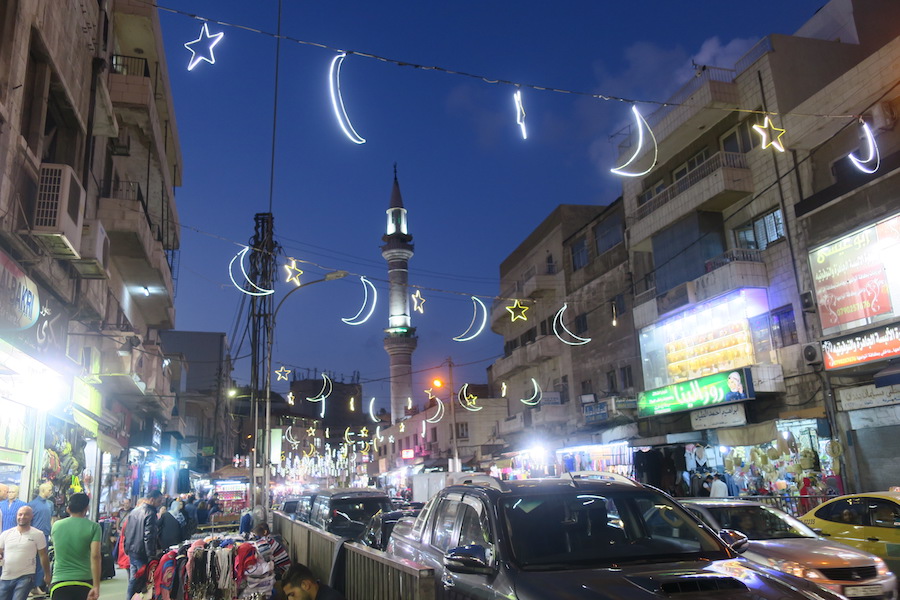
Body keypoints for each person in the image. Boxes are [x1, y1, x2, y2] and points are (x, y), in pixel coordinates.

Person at [49, 493, 101, 600]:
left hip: (59, 581)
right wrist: (96, 586)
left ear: (68, 509)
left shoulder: (56, 525)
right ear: (86, 508)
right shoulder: (94, 527)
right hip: (84, 581)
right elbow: (95, 556)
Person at [0, 506, 51, 600]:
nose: (22, 517)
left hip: (26, 576)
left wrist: (47, 575)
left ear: (32, 516)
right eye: (20, 514)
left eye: (26, 514)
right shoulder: (6, 534)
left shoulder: (38, 534)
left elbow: (43, 556)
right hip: (6, 576)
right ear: (16, 516)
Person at [123, 490, 164, 600]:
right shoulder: (150, 514)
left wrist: (126, 547)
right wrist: (151, 555)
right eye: (159, 501)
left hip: (132, 550)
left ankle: (130, 598)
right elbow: (149, 536)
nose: (160, 503)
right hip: (142, 552)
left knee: (133, 579)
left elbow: (127, 531)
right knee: (144, 581)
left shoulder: (134, 511)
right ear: (152, 500)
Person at [28, 483, 54, 596]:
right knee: (31, 560)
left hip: (45, 535)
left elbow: (51, 518)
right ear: (43, 490)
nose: (51, 491)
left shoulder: (50, 504)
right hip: (32, 536)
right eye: (49, 490)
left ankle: (38, 585)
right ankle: (31, 585)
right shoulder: (32, 505)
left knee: (42, 560)